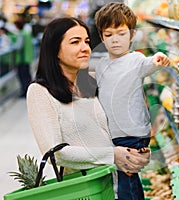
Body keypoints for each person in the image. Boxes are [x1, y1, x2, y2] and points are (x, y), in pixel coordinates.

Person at [26, 17, 150, 199]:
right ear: (55, 50)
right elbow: (55, 153)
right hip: (87, 190)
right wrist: (113, 155)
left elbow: (105, 133)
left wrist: (132, 151)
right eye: (75, 42)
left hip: (118, 182)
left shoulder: (89, 83)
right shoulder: (40, 92)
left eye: (87, 41)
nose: (85, 48)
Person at [92, 3, 170, 200]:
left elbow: (149, 64)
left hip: (132, 132)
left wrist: (158, 58)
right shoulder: (101, 65)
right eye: (108, 35)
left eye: (121, 34)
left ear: (132, 35)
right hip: (112, 133)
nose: (115, 40)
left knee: (127, 181)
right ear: (101, 37)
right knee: (122, 180)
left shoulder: (135, 60)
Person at [14, 17, 34, 98]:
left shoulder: (22, 34)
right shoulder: (27, 33)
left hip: (22, 58)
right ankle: (28, 91)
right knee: (27, 75)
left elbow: (18, 46)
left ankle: (24, 92)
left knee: (23, 76)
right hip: (28, 58)